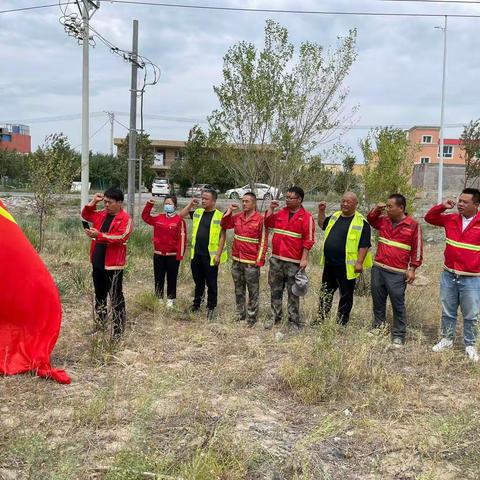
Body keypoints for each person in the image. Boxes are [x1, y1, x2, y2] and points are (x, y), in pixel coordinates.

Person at [425, 188, 480, 362]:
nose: (460, 204)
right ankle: (447, 339)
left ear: (476, 205)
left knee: (471, 314)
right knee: (448, 311)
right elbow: (429, 218)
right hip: (449, 274)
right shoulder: (451, 219)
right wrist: (442, 206)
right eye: (460, 200)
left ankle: (470, 345)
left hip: (472, 278)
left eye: (465, 202)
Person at [367, 194, 423, 346]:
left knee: (397, 303)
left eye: (390, 206)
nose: (387, 209)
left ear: (401, 208)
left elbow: (417, 250)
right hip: (379, 268)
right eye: (386, 206)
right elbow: (371, 220)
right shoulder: (384, 220)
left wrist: (412, 269)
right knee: (378, 302)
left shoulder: (413, 225)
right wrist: (376, 210)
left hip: (397, 272)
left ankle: (398, 334)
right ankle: (379, 328)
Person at [82, 187, 133, 339]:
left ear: (119, 203)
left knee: (116, 297)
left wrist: (100, 235)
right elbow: (86, 214)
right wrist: (93, 201)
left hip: (113, 265)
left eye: (109, 203)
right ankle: (101, 323)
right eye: (104, 202)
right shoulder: (102, 214)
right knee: (99, 295)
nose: (106, 205)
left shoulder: (125, 219)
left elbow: (122, 237)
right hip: (97, 261)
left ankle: (118, 330)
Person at [264, 186, 315, 329]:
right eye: (286, 197)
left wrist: (304, 259)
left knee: (293, 292)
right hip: (277, 259)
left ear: (299, 199)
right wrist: (271, 209)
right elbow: (268, 223)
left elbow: (308, 240)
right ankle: (275, 317)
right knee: (275, 289)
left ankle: (293, 321)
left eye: (290, 198)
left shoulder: (306, 217)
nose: (286, 200)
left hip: (294, 261)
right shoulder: (281, 213)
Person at [317, 192, 372, 325]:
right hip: (330, 264)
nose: (345, 204)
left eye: (348, 202)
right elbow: (322, 224)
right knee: (325, 292)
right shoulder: (335, 216)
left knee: (346, 295)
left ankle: (341, 322)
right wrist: (321, 211)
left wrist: (359, 262)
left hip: (347, 266)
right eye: (343, 201)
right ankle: (321, 318)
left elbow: (364, 244)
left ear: (356, 204)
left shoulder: (361, 222)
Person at [221, 192, 268, 326]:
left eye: (247, 201)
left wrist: (259, 260)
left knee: (253, 291)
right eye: (243, 201)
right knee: (238, 289)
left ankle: (252, 317)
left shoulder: (260, 219)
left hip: (251, 262)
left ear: (254, 203)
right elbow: (224, 225)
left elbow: (263, 241)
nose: (244, 204)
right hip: (237, 260)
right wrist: (229, 211)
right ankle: (240, 313)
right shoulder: (238, 217)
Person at [179, 189, 227, 321]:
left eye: (206, 198)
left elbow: (222, 237)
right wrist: (190, 205)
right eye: (202, 198)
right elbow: (180, 215)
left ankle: (211, 307)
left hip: (210, 256)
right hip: (196, 254)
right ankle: (196, 305)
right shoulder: (198, 212)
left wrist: (217, 255)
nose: (203, 200)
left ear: (213, 201)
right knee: (198, 282)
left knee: (211, 283)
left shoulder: (219, 215)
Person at [141, 195, 187, 308]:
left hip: (172, 255)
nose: (167, 205)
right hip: (158, 254)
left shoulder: (179, 221)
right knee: (158, 276)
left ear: (175, 206)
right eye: (166, 203)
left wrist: (180, 255)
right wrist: (149, 205)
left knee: (172, 277)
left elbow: (182, 239)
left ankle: (170, 299)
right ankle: (159, 298)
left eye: (170, 204)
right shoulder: (158, 218)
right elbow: (145, 217)